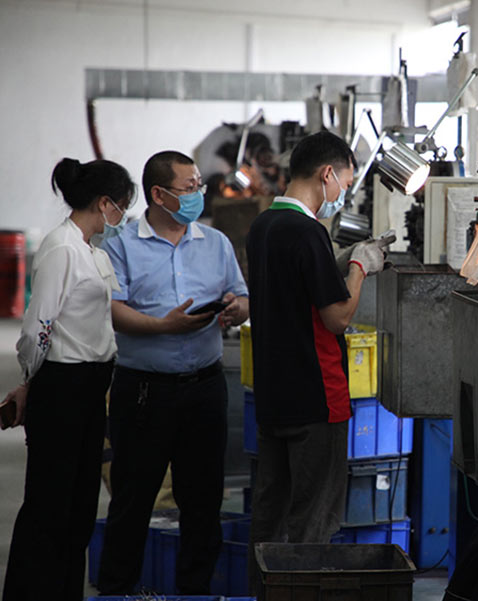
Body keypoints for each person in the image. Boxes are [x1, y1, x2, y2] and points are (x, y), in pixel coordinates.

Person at [96, 150, 249, 595]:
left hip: (204, 388)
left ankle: (194, 590)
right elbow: (112, 310)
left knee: (202, 502)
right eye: (189, 187)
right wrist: (165, 326)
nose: (198, 194)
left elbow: (241, 297)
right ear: (159, 195)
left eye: (200, 185)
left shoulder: (215, 243)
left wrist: (235, 309)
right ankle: (117, 591)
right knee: (133, 499)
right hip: (144, 392)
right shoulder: (121, 245)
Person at [245, 131, 387, 590]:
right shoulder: (308, 233)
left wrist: (336, 260)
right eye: (344, 182)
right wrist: (360, 266)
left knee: (269, 520)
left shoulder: (264, 226)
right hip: (316, 398)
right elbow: (337, 318)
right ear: (327, 174)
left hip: (274, 396)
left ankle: (263, 594)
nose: (343, 193)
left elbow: (295, 286)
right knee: (312, 524)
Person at [1, 157, 135, 601]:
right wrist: (32, 382)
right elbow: (37, 328)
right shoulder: (62, 248)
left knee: (78, 507)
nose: (123, 216)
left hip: (90, 385)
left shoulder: (90, 249)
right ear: (105, 203)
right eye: (122, 206)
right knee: (49, 505)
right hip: (63, 386)